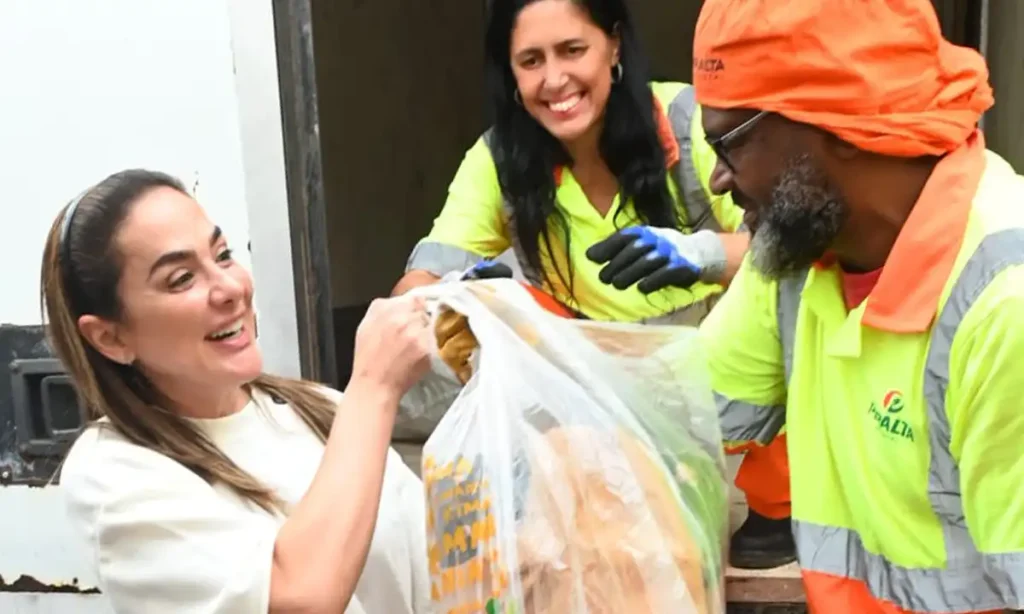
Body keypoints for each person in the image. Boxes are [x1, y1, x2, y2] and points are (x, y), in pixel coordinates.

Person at [589, 0, 1024, 611]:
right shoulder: (802, 257)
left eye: (727, 144)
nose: (716, 180)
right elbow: (675, 414)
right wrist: (519, 350)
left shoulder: (1004, 308)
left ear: (831, 124)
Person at [42, 169, 433, 613]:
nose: (231, 289)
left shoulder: (321, 410)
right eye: (181, 278)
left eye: (223, 255)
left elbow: (443, 568)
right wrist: (375, 387)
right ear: (110, 338)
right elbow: (298, 600)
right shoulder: (113, 473)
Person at [394, 0, 749, 327]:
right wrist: (456, 294)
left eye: (572, 51)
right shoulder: (499, 159)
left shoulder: (687, 120)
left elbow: (775, 249)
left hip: (729, 358)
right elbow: (410, 294)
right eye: (531, 61)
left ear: (614, 46)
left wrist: (702, 255)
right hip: (589, 369)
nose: (555, 80)